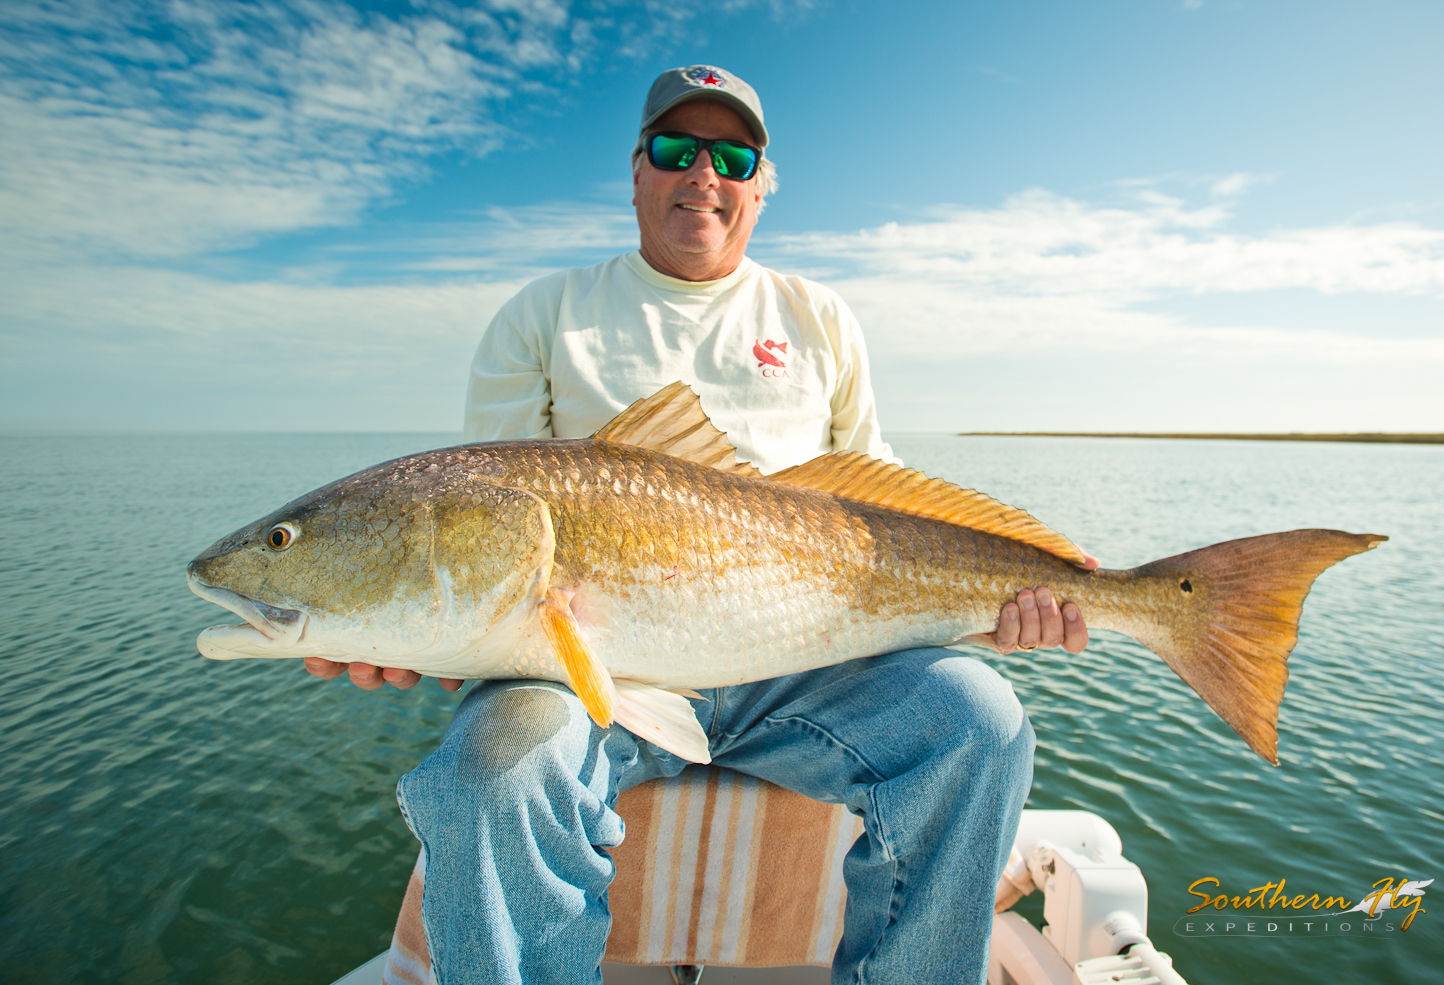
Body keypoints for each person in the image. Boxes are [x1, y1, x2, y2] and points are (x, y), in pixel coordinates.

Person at [306, 65, 1093, 984]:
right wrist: (406, 623)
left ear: (762, 182)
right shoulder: (545, 313)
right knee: (496, 763)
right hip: (589, 670)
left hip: (804, 665)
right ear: (637, 171)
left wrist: (1026, 581)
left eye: (733, 155)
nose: (703, 174)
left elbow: (887, 504)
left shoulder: (820, 317)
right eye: (677, 150)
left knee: (980, 724)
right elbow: (484, 528)